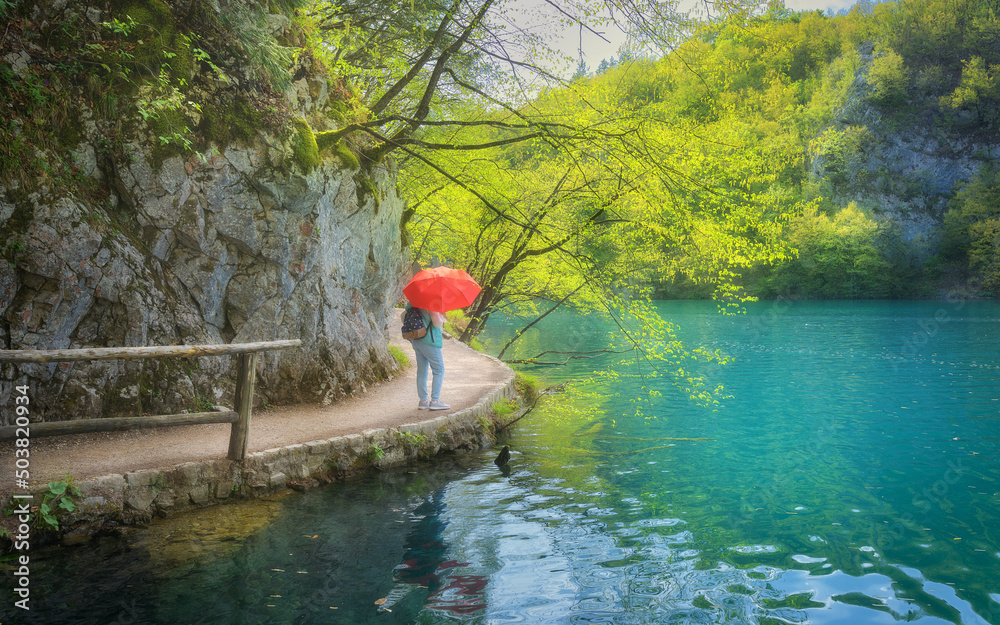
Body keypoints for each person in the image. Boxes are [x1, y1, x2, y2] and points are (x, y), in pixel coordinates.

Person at [406, 304, 449, 410]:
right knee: (439, 369)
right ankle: (435, 401)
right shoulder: (432, 301)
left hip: (416, 338)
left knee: (422, 369)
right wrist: (441, 316)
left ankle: (423, 401)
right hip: (429, 339)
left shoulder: (413, 300)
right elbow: (437, 323)